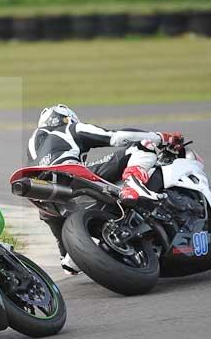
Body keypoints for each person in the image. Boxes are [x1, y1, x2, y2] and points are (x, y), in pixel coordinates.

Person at [27, 104, 183, 274]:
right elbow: (117, 137)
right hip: (70, 174)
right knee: (143, 145)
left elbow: (54, 224)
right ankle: (133, 186)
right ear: (66, 118)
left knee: (51, 216)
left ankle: (69, 257)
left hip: (44, 192)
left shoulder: (33, 143)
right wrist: (160, 137)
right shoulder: (70, 128)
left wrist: (68, 249)